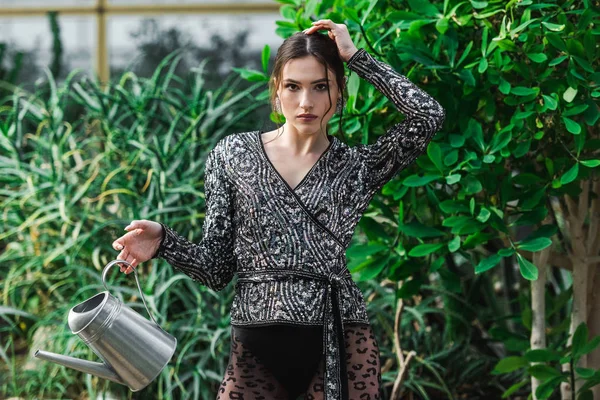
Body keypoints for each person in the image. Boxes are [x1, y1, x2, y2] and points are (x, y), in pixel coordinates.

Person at [112, 19, 445, 400]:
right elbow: (216, 269)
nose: (306, 102)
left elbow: (427, 116)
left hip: (339, 340)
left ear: (340, 94)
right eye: (293, 86)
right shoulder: (233, 155)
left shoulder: (358, 168)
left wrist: (356, 58)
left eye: (321, 87)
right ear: (276, 92)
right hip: (255, 347)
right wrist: (163, 242)